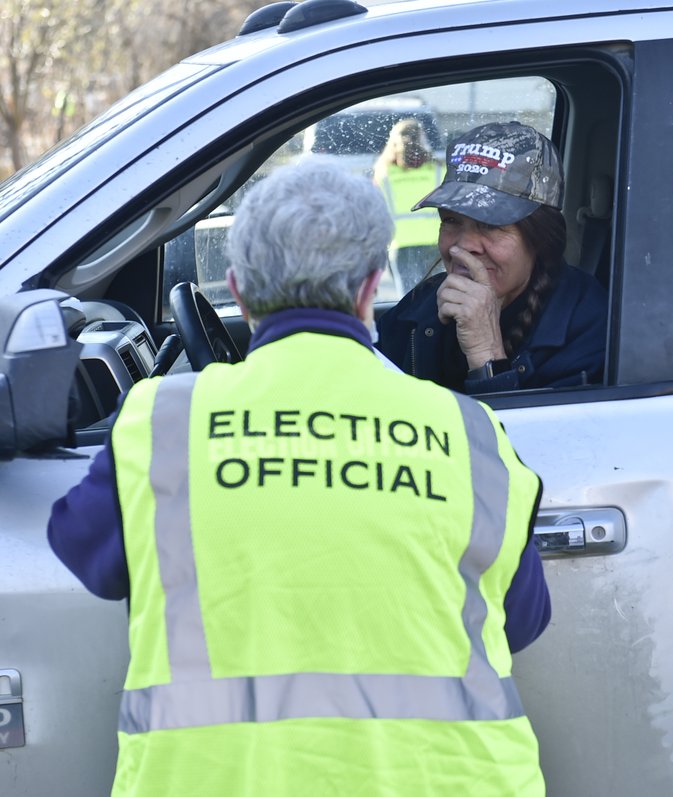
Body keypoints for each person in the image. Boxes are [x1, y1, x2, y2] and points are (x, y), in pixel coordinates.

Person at [46, 158, 551, 796]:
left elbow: (82, 550)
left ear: (238, 289)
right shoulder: (469, 433)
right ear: (370, 291)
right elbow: (523, 619)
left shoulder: (164, 421)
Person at [376, 121, 607, 395]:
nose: (463, 246)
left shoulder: (587, 324)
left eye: (491, 224)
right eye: (450, 220)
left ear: (541, 237)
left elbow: (546, 425)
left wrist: (485, 353)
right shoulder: (423, 303)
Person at [372, 118, 443, 294]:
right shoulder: (438, 170)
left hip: (400, 244)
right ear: (423, 140)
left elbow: (376, 213)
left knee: (408, 299)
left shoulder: (383, 174)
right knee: (437, 296)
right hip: (434, 243)